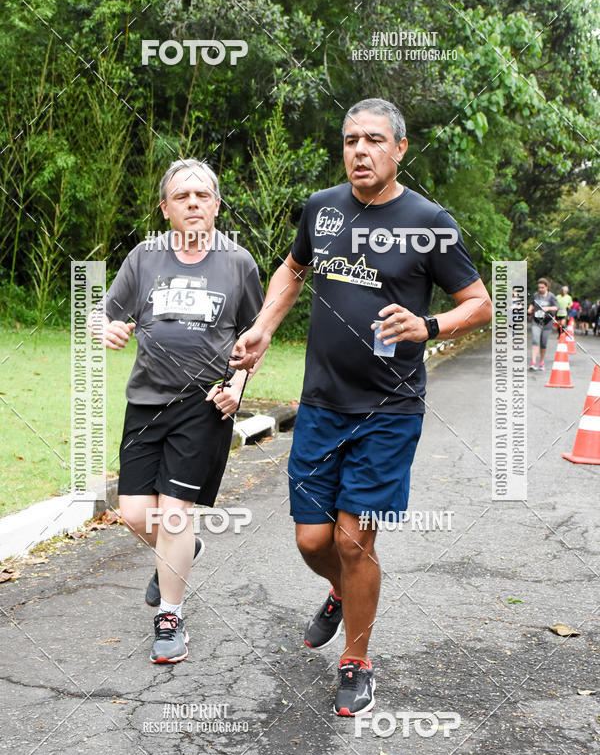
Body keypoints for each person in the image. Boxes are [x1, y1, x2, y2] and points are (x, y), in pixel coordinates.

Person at [232, 98, 492, 716]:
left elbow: (479, 303)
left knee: (353, 542)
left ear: (399, 149)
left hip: (390, 409)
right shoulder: (321, 210)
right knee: (312, 538)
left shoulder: (428, 220)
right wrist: (266, 326)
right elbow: (293, 271)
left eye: (374, 140)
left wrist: (428, 325)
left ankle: (357, 661)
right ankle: (341, 592)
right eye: (351, 140)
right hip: (321, 403)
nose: (360, 151)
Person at [89, 159, 263, 663]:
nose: (193, 203)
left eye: (202, 195)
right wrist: (106, 329)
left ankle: (170, 617)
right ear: (165, 209)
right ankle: (184, 552)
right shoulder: (144, 258)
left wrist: (238, 385)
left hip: (203, 403)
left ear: (216, 204)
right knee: (133, 513)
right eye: (182, 196)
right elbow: (100, 313)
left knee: (173, 515)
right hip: (145, 400)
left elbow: (254, 339)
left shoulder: (238, 264)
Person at [527, 278, 558, 370]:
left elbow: (556, 307)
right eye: (539, 287)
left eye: (542, 287)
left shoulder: (551, 296)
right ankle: (533, 362)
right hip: (536, 321)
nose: (540, 289)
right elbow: (532, 304)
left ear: (547, 287)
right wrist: (529, 309)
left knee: (543, 343)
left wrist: (548, 308)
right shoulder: (536, 295)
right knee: (535, 340)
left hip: (547, 322)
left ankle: (541, 361)